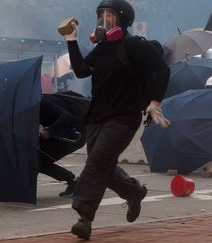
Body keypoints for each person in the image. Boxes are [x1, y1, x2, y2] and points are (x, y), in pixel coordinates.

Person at [60, 0, 170, 240]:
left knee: (97, 163)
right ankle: (134, 192)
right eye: (100, 15)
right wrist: (71, 39)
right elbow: (81, 70)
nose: (103, 20)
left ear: (123, 20)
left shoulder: (133, 46)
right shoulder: (101, 49)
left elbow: (162, 69)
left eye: (109, 15)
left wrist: (155, 102)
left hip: (124, 117)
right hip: (96, 116)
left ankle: (84, 218)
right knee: (104, 168)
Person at [38, 91, 89, 197]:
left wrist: (49, 131)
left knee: (38, 160)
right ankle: (73, 181)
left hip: (73, 136)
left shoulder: (43, 102)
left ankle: (73, 181)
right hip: (64, 135)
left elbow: (66, 116)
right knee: (39, 161)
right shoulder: (34, 105)